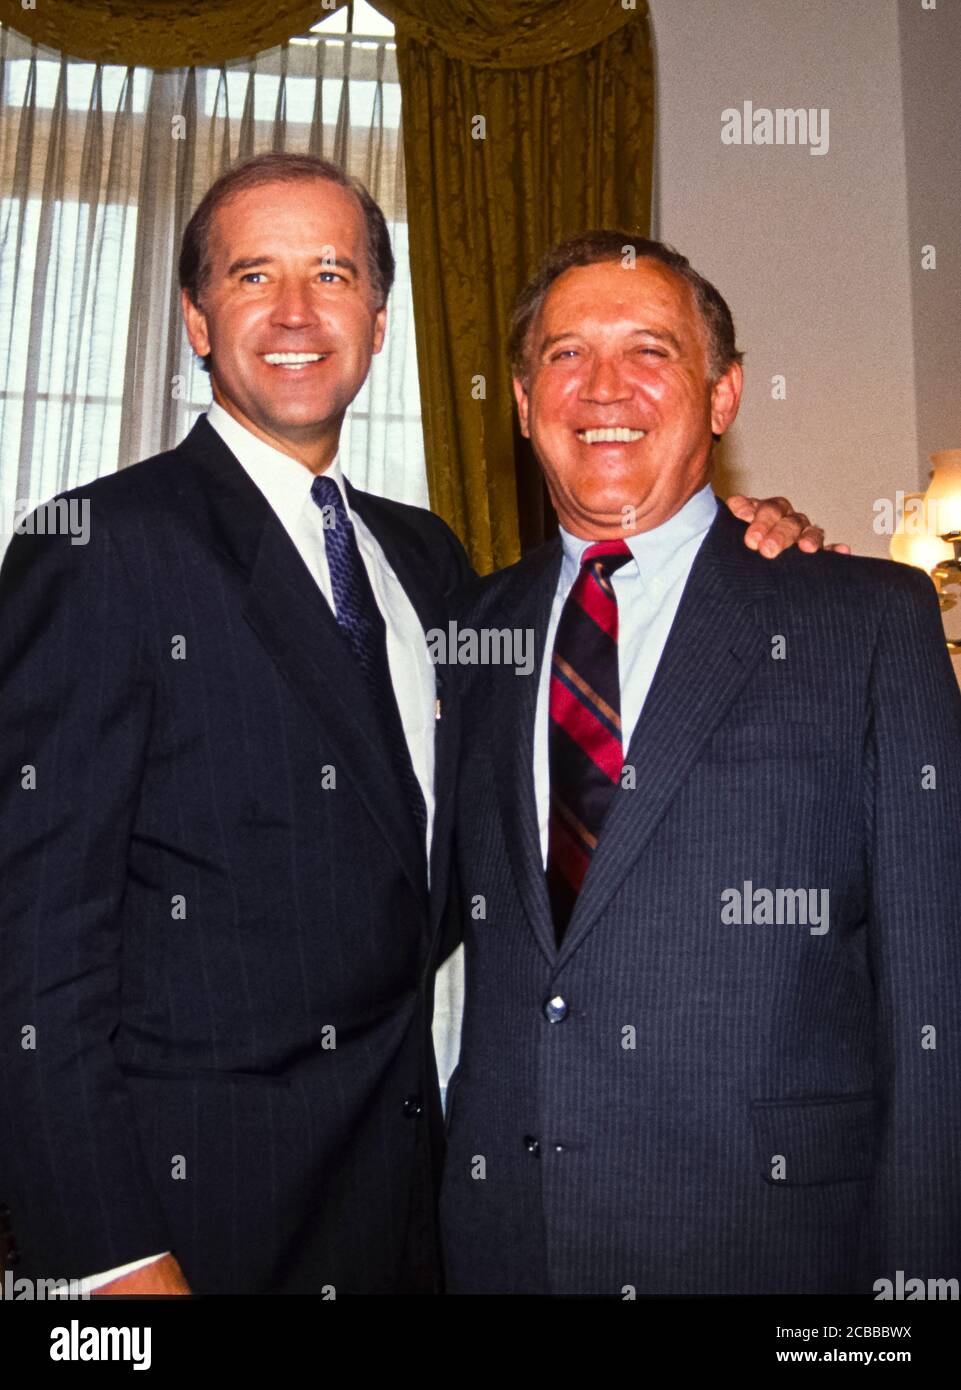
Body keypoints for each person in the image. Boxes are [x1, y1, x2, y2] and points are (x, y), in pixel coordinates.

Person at [0, 154, 823, 1297]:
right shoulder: (98, 547)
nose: (296, 311)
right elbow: (34, 954)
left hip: (412, 1214)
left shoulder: (431, 563)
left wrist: (729, 550)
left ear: (379, 322)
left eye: (331, 273)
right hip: (192, 1230)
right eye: (253, 276)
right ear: (197, 319)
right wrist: (110, 1263)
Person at [439, 231, 961, 1296]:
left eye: (650, 351)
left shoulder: (862, 621)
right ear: (524, 398)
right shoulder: (464, 632)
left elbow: (936, 999)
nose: (603, 388)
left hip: (768, 1252)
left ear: (722, 397)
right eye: (565, 354)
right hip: (505, 1246)